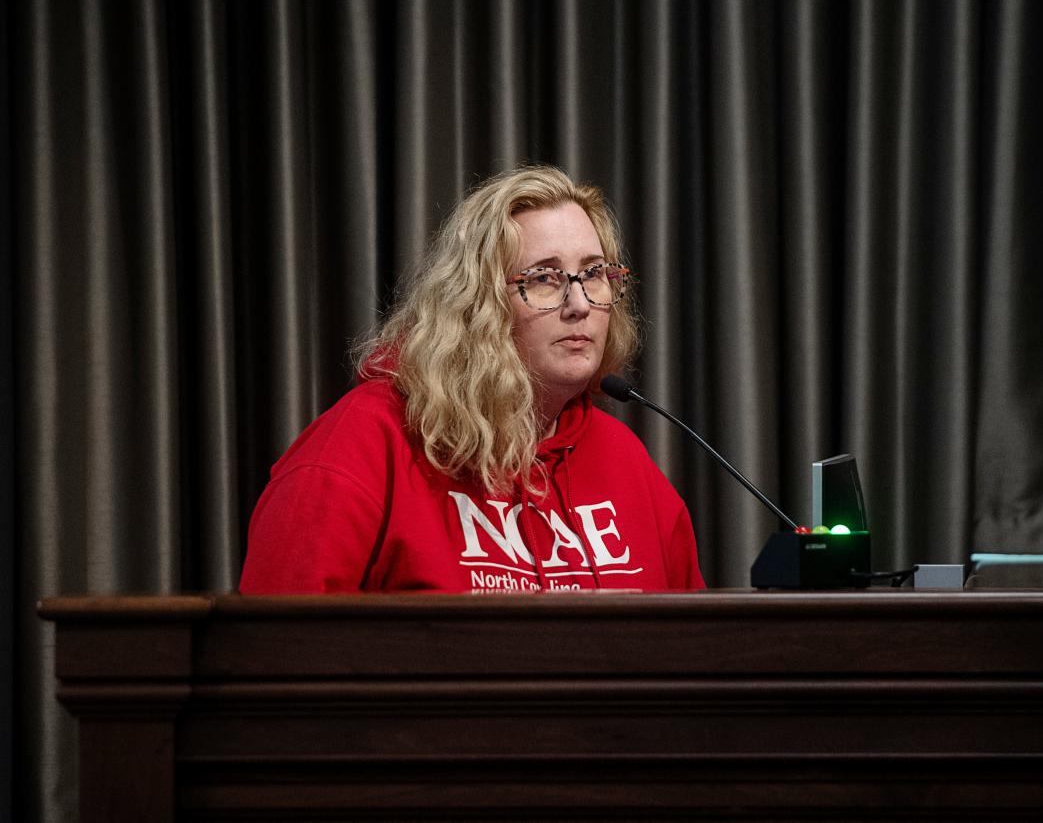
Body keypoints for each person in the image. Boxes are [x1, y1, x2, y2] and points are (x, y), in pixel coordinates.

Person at [240, 165, 705, 593]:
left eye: (594, 273)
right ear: (476, 303)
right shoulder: (365, 441)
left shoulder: (626, 460)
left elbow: (697, 652)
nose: (579, 303)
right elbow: (277, 649)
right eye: (544, 278)